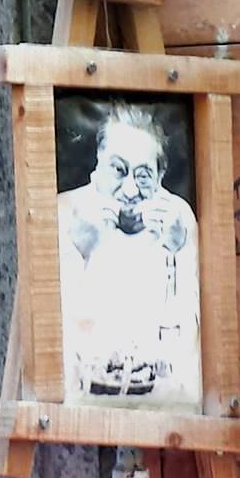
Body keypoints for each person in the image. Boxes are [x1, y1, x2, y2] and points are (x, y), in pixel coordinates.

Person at [57, 103, 201, 404]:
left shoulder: (177, 219)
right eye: (118, 170)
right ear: (99, 161)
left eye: (144, 175)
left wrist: (175, 254)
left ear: (161, 175)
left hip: (159, 401)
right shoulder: (65, 212)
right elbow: (51, 337)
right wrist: (78, 252)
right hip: (80, 400)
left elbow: (191, 344)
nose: (130, 190)